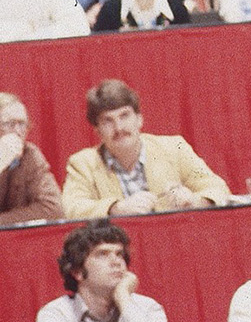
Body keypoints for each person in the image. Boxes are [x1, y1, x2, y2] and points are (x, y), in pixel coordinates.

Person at [62, 78, 230, 218]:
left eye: (124, 116)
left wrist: (194, 201)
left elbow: (218, 188)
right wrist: (115, 208)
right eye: (108, 121)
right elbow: (71, 208)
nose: (119, 127)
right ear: (97, 131)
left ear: (139, 119)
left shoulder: (174, 147)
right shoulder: (82, 163)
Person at [36, 221, 174, 322]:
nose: (116, 262)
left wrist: (123, 298)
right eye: (102, 254)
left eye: (119, 254)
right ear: (77, 271)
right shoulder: (54, 313)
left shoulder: (148, 307)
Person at [0, 90, 65, 224]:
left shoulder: (30, 155)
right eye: (10, 124)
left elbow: (54, 209)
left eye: (22, 124)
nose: (18, 132)